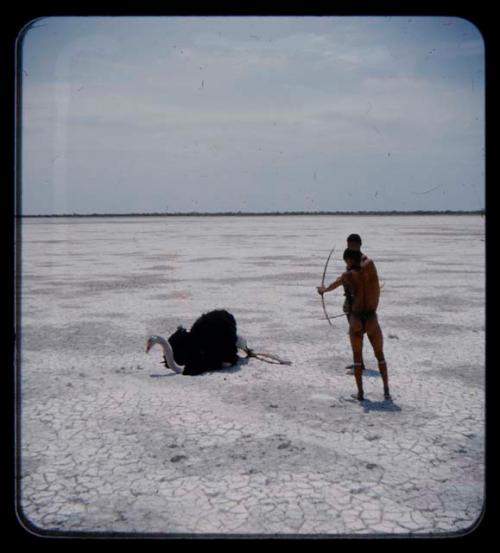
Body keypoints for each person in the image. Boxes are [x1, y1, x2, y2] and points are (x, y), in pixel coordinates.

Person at [317, 248, 391, 402]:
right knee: (380, 356)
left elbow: (336, 283)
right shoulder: (370, 269)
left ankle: (360, 394)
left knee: (357, 358)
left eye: (346, 261)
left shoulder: (347, 275)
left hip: (356, 320)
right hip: (371, 319)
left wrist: (323, 290)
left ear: (349, 260)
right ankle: (386, 391)